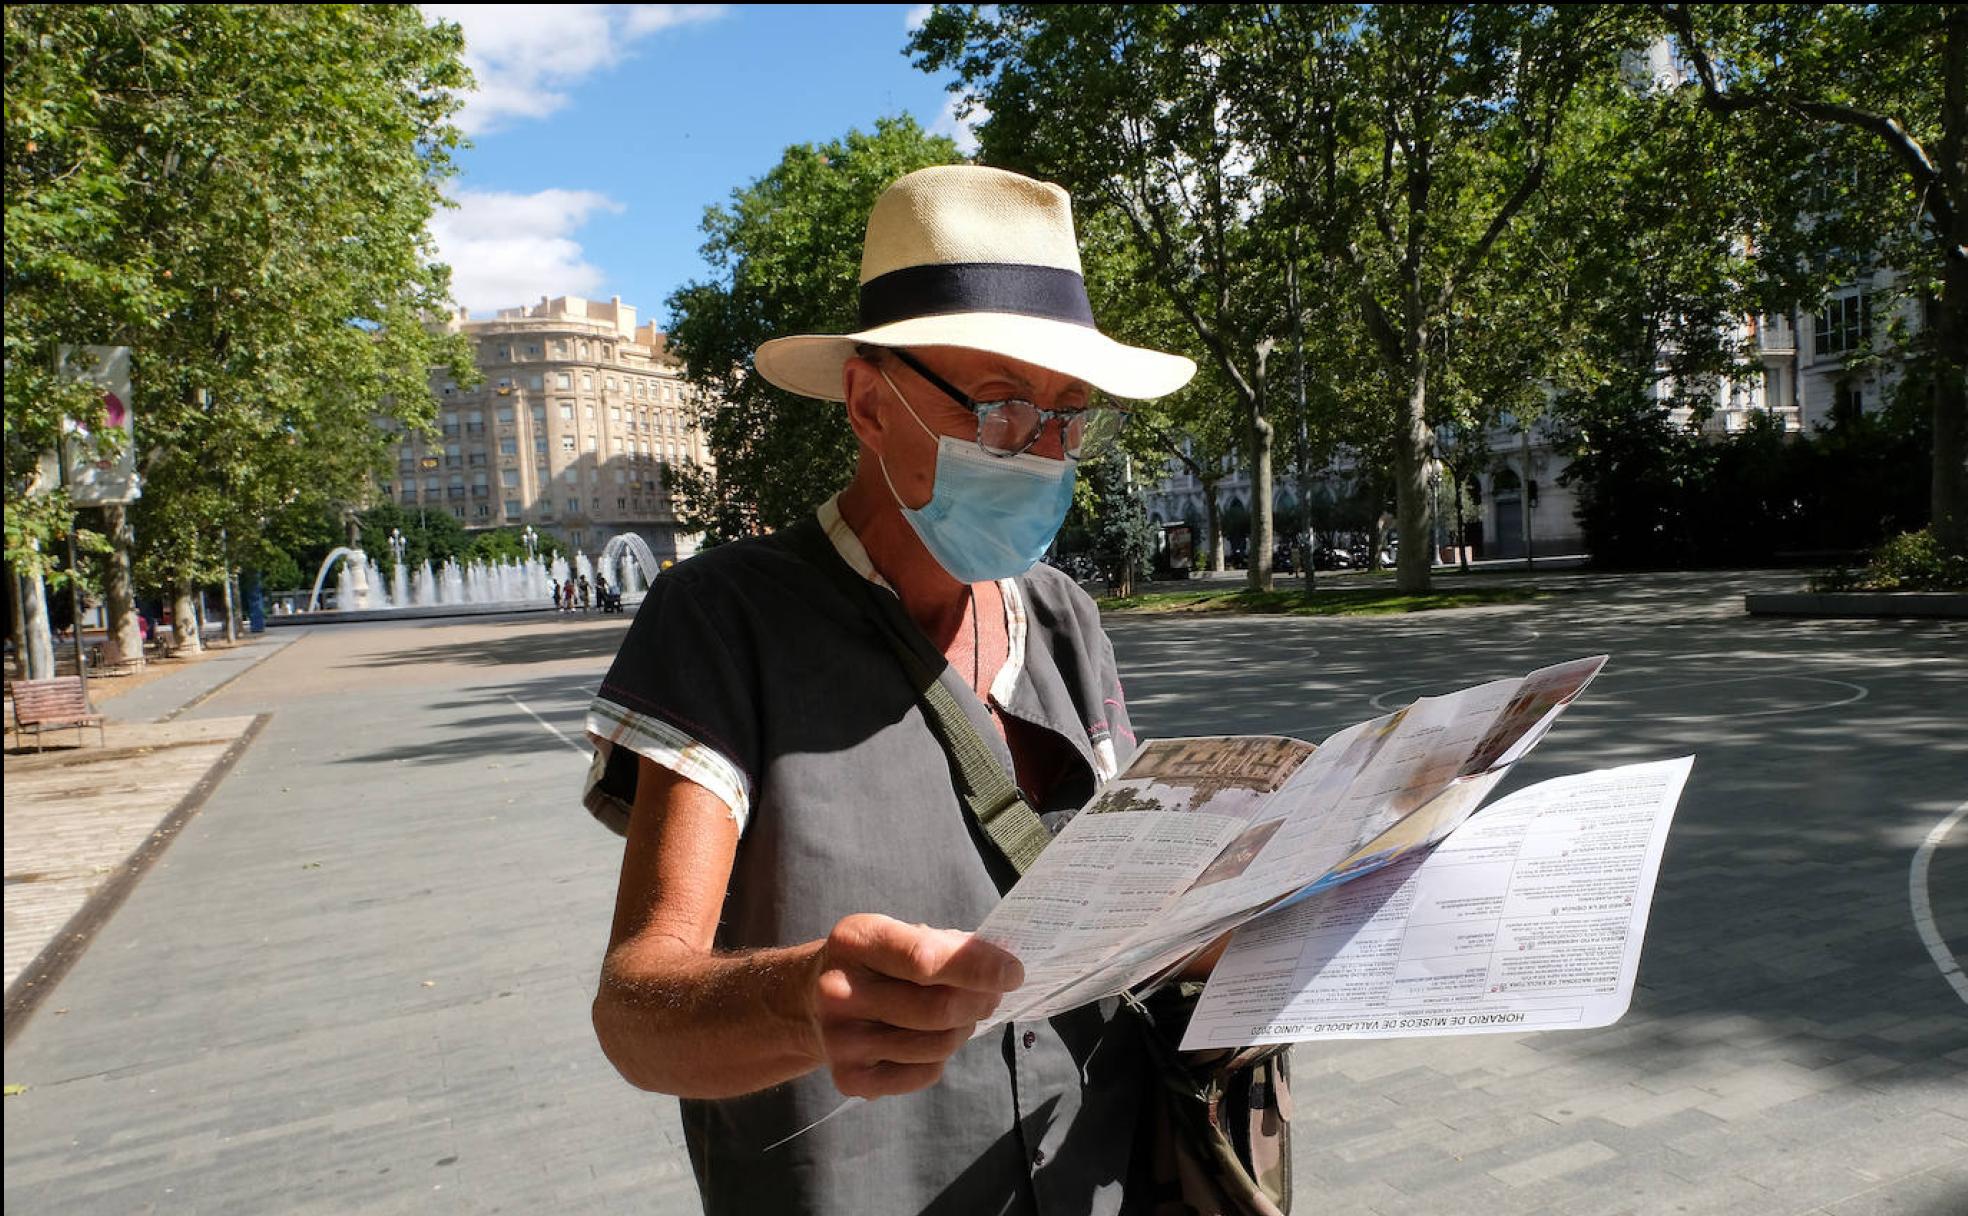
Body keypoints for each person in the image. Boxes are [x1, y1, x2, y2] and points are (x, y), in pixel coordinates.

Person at [583, 165, 1196, 1215]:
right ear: (871, 402)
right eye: (1002, 408)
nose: (1043, 454)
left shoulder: (1064, 618)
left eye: (1069, 418)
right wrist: (797, 998)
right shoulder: (723, 621)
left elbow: (1127, 903)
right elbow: (638, 1010)